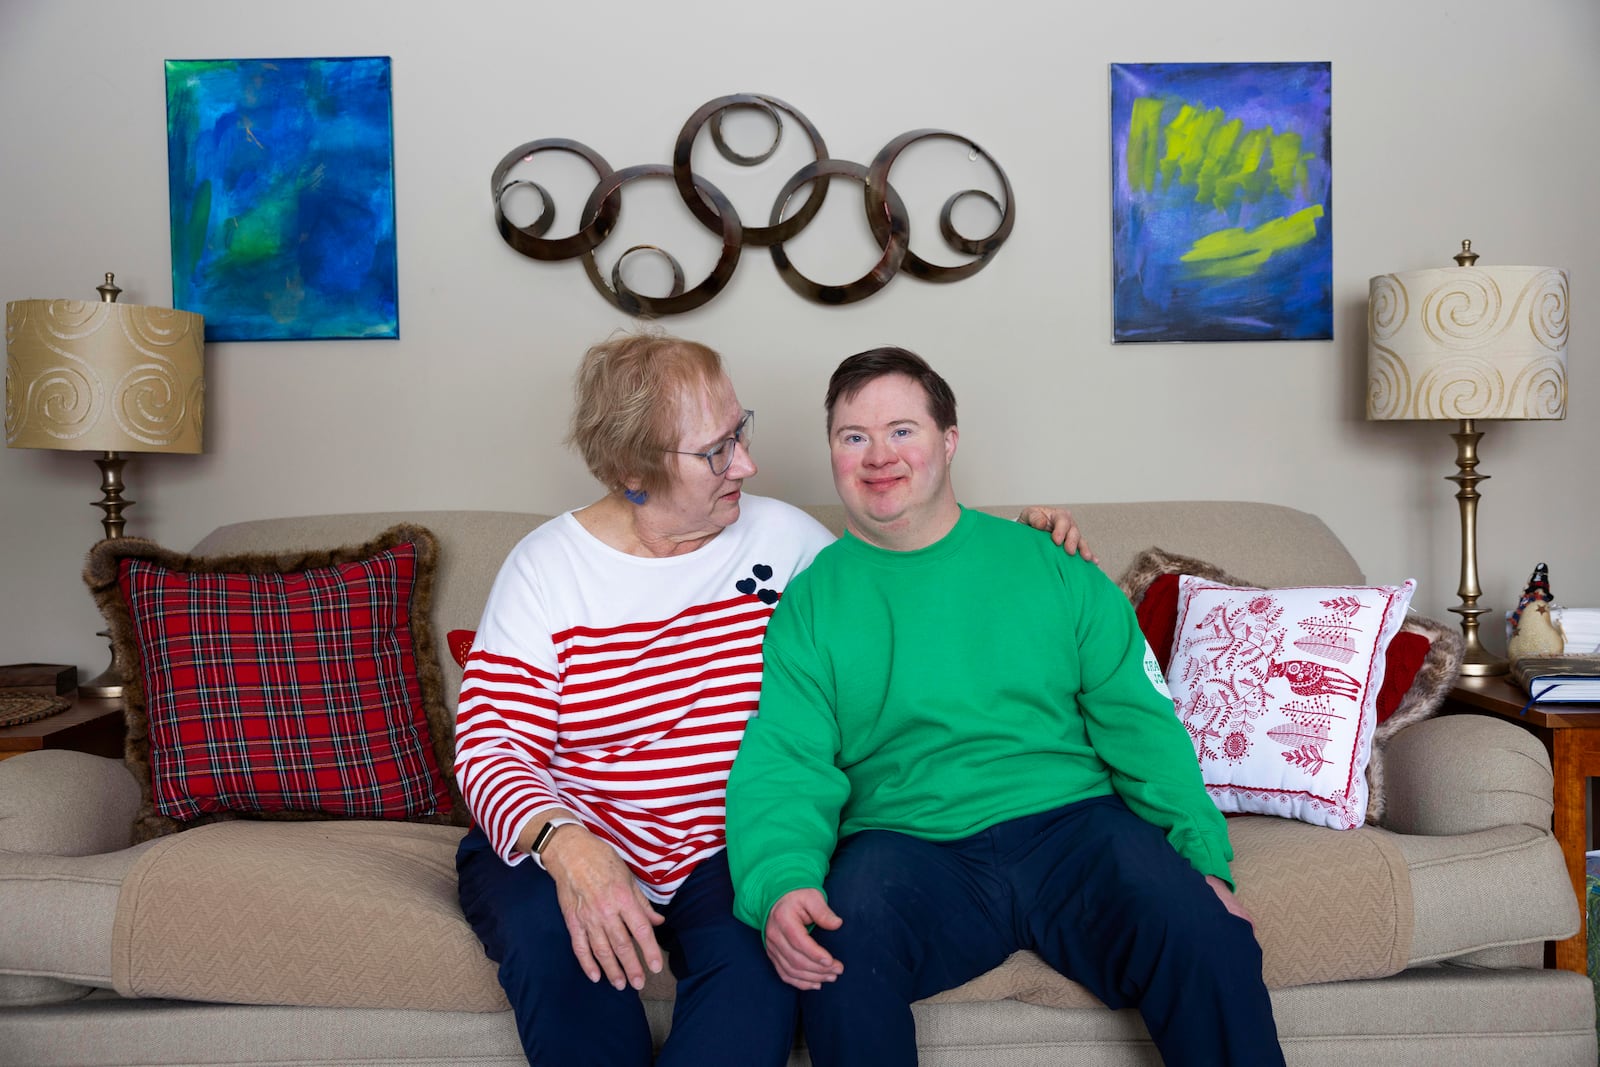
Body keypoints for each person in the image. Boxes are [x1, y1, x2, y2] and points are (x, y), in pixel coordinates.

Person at [452, 330, 1090, 1067]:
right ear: (633, 466)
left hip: (725, 851)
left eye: (740, 432)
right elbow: (491, 745)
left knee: (758, 994)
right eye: (717, 450)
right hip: (562, 838)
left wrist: (1028, 549)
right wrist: (570, 852)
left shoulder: (788, 544)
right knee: (568, 973)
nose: (748, 464)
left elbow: (909, 593)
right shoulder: (547, 571)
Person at [725, 346, 1284, 1067]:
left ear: (948, 441)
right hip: (905, 842)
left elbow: (1141, 723)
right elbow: (785, 763)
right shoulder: (810, 603)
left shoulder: (1051, 563)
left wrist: (1203, 862)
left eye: (902, 430)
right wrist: (781, 880)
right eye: (852, 436)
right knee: (836, 956)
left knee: (1210, 937)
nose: (877, 456)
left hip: (1074, 828)